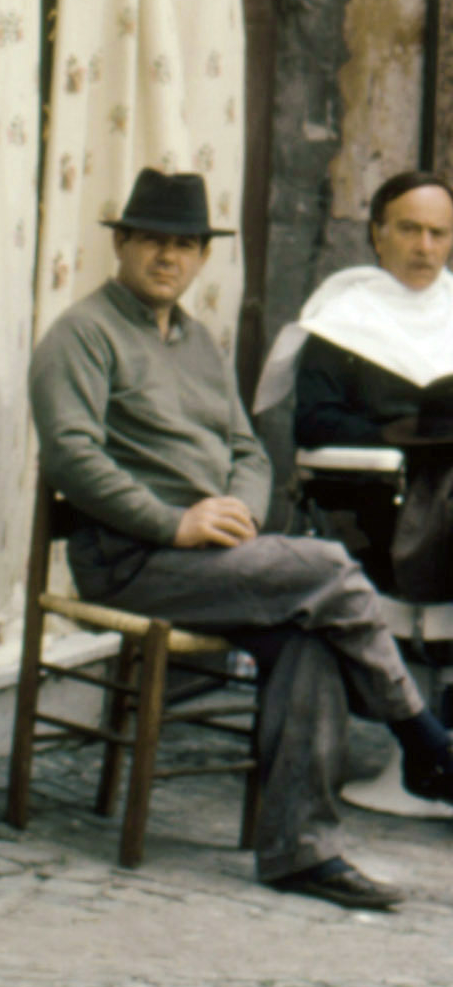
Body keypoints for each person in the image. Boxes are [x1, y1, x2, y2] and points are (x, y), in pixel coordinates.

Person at [29, 168, 453, 909]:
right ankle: (424, 738)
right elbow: (72, 456)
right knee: (328, 567)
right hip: (130, 559)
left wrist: (242, 514)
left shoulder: (196, 341)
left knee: (312, 637)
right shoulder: (82, 333)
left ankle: (301, 851)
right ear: (121, 242)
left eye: (187, 245)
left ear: (201, 256)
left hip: (212, 560)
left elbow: (250, 448)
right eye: (155, 240)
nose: (170, 258)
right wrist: (174, 521)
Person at [255, 170, 453, 599]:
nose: (425, 247)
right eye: (409, 229)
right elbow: (313, 424)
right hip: (379, 506)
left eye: (438, 233)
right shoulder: (343, 320)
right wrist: (398, 436)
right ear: (377, 236)